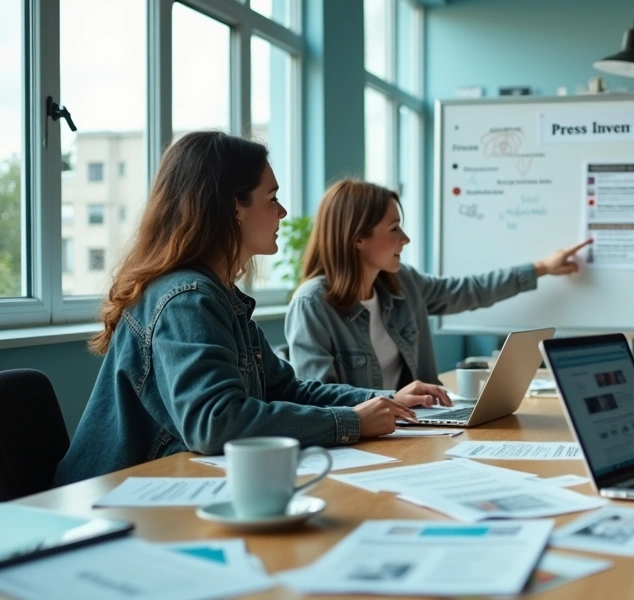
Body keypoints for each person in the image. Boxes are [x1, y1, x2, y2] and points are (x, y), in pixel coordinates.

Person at [54, 132, 447, 485]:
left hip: (166, 487)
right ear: (233, 208)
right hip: (110, 503)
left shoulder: (220, 296)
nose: (283, 213)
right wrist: (348, 422)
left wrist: (384, 399)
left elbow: (287, 389)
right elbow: (216, 421)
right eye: (272, 198)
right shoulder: (186, 299)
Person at [285, 179, 591, 391]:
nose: (405, 239)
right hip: (362, 444)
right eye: (394, 229)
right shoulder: (312, 304)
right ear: (358, 238)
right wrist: (392, 402)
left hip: (415, 428)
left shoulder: (402, 283)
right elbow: (319, 397)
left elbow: (470, 290)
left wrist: (541, 268)